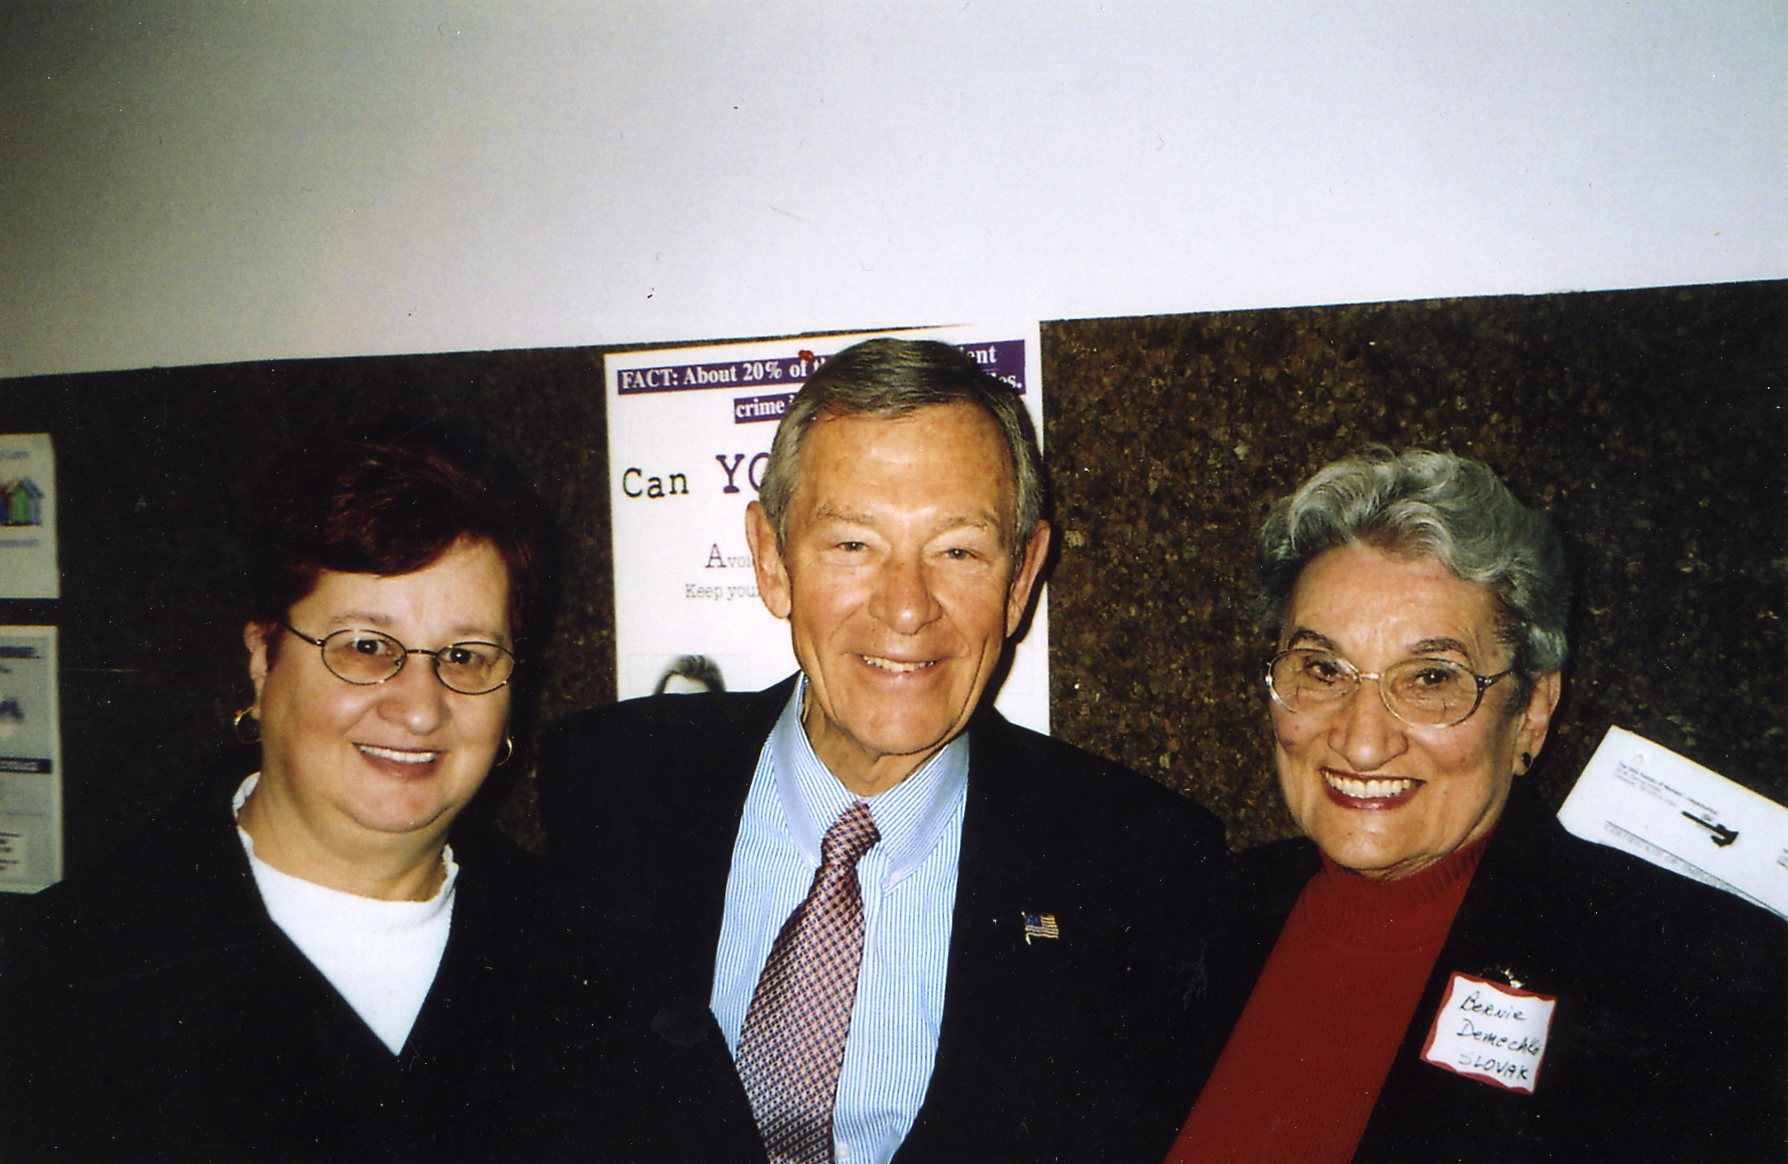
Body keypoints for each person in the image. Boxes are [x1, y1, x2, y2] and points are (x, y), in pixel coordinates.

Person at [540, 337, 1231, 1162]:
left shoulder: (1138, 864)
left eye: (958, 551)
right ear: (771, 560)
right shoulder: (609, 785)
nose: (907, 609)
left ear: (1021, 579)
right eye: (853, 545)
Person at [1166, 448, 1786, 1163]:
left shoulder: (1699, 986)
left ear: (1531, 712)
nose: (1362, 742)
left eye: (1431, 677)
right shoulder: (1190, 921)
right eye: (1321, 669)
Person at [3, 426, 597, 1161]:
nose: (419, 707)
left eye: (467, 657)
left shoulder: (597, 966)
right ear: (263, 657)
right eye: (366, 647)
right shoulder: (52, 979)